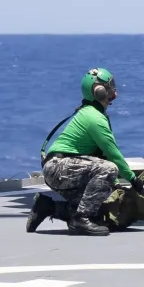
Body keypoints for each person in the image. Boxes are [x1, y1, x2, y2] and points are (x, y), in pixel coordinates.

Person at [30, 68, 133, 237]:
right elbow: (112, 155)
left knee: (97, 206)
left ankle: (47, 207)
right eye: (109, 87)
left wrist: (114, 185)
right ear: (99, 91)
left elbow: (101, 156)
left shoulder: (90, 113)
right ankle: (80, 220)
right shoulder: (95, 118)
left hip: (61, 169)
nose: (113, 91)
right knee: (110, 168)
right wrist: (133, 180)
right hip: (61, 167)